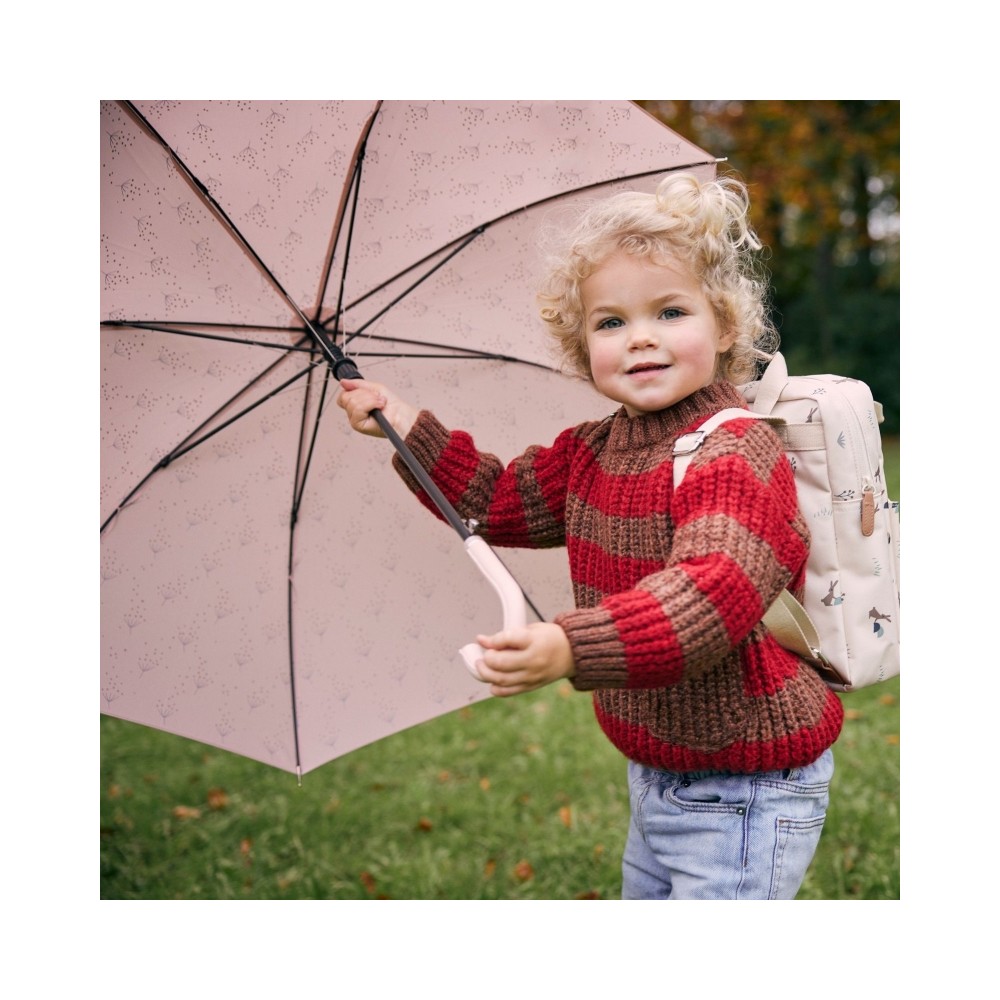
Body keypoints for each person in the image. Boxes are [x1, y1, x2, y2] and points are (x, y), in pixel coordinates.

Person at [337, 172, 844, 900]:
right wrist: (406, 423)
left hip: (747, 784)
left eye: (670, 312)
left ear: (725, 325)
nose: (640, 338)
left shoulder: (732, 453)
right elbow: (495, 499)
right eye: (610, 323)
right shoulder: (593, 450)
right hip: (661, 769)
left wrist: (573, 644)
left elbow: (712, 593)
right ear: (581, 347)